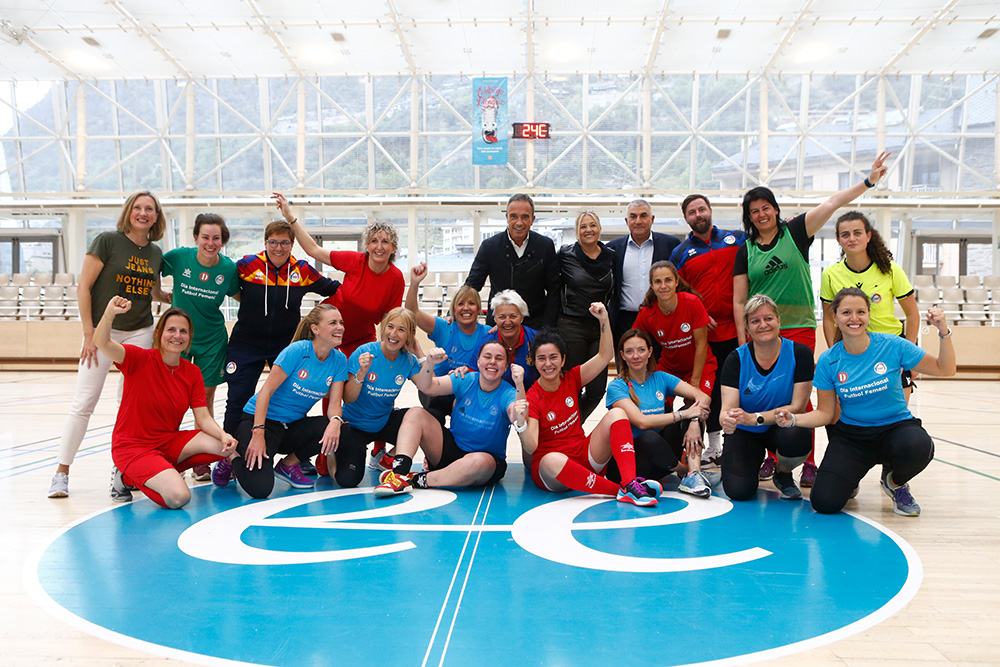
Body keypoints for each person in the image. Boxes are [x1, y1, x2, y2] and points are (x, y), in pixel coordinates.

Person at [733, 151, 890, 485]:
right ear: (749, 217)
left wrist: (869, 182)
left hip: (799, 326)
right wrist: (740, 340)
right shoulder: (745, 249)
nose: (761, 214)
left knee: (801, 398)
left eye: (765, 207)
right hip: (761, 332)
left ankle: (809, 462)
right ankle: (773, 459)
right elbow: (740, 299)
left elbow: (833, 202)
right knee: (768, 397)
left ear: (775, 209)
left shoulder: (796, 232)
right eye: (754, 211)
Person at [775, 288, 956, 516]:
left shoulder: (892, 345)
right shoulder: (829, 361)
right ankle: (850, 478)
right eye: (846, 312)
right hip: (853, 438)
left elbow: (946, 369)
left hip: (895, 429)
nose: (854, 318)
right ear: (835, 318)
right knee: (824, 503)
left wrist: (943, 331)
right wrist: (794, 419)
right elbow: (825, 414)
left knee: (919, 446)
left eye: (861, 311)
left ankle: (896, 483)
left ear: (869, 315)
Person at [49, 190, 169, 499]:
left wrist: (174, 297)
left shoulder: (155, 253)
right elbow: (84, 286)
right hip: (104, 332)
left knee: (129, 405)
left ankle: (123, 468)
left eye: (150, 209)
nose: (144, 213)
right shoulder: (106, 241)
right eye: (138, 207)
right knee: (85, 401)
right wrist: (89, 333)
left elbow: (152, 292)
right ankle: (62, 471)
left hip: (141, 332)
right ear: (129, 211)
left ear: (156, 216)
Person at [218, 216, 340, 483]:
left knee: (294, 398)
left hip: (286, 344)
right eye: (273, 242)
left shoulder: (303, 270)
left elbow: (335, 290)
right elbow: (224, 283)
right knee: (238, 399)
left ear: (292, 244)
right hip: (246, 343)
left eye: (284, 243)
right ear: (265, 243)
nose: (278, 248)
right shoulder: (247, 265)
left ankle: (295, 458)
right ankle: (227, 456)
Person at [95, 297, 237, 509]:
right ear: (159, 334)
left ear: (189, 337)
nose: (177, 336)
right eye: (171, 330)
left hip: (168, 442)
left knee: (226, 448)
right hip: (133, 447)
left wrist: (223, 435)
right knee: (179, 497)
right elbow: (102, 343)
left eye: (183, 331)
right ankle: (126, 477)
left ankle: (162, 469)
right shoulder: (138, 359)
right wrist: (109, 314)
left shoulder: (192, 372)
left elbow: (203, 417)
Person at [517, 303, 662, 507]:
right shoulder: (533, 397)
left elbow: (604, 356)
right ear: (533, 361)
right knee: (551, 460)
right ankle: (618, 491)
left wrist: (603, 320)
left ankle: (629, 482)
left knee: (617, 413)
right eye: (541, 358)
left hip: (582, 456)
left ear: (563, 359)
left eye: (553, 357)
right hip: (553, 473)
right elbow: (531, 446)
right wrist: (521, 423)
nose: (548, 363)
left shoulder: (572, 378)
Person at [215, 305, 350, 498]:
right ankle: (231, 457)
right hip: (260, 421)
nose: (340, 327)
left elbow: (335, 403)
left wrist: (336, 421)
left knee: (340, 429)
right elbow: (266, 392)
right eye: (333, 323)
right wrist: (258, 432)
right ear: (315, 329)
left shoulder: (339, 360)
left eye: (341, 323)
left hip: (290, 427)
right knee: (260, 489)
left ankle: (288, 465)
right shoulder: (297, 351)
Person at [372, 342, 526, 496]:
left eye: (499, 358)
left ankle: (417, 479)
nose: (492, 361)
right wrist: (430, 363)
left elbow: (517, 417)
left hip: (484, 462)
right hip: (450, 449)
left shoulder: (509, 392)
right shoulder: (466, 379)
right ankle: (399, 475)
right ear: (478, 361)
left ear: (506, 366)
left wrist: (519, 383)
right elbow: (427, 387)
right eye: (487, 356)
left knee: (479, 462)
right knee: (415, 413)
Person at [160, 213, 240, 481]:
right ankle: (164, 454)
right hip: (178, 338)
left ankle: (199, 460)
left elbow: (241, 295)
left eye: (216, 238)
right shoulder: (178, 257)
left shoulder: (228, 269)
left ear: (223, 240)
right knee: (169, 399)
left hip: (211, 340)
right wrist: (158, 296)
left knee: (202, 403)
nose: (210, 242)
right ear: (196, 238)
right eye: (205, 237)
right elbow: (149, 269)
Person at [277, 193, 404, 358]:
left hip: (360, 339)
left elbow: (390, 320)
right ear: (367, 246)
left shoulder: (396, 278)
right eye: (374, 241)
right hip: (325, 330)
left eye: (385, 242)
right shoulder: (355, 261)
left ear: (393, 248)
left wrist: (388, 351)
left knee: (359, 377)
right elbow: (314, 250)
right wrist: (290, 217)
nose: (379, 247)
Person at [670, 194, 745, 465]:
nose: (698, 214)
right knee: (708, 390)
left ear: (710, 210)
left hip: (738, 331)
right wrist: (700, 311)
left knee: (737, 388)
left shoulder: (736, 239)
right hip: (705, 335)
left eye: (702, 209)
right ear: (687, 218)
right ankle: (713, 446)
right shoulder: (680, 253)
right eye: (692, 212)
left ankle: (737, 444)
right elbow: (679, 289)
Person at [719, 295, 814, 501]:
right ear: (747, 328)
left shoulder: (800, 354)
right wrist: (727, 420)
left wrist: (756, 418)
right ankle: (751, 462)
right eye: (755, 321)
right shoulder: (736, 359)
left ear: (779, 321)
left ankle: (782, 472)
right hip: (746, 431)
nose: (763, 325)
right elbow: (726, 410)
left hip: (781, 427)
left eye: (768, 318)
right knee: (739, 491)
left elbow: (797, 406)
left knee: (799, 434)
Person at [335, 307, 444, 483]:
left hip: (384, 421)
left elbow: (431, 389)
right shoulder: (364, 353)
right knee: (347, 480)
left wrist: (420, 354)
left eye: (401, 330)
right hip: (354, 426)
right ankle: (336, 452)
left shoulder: (408, 359)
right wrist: (361, 374)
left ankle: (387, 458)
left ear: (410, 334)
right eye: (390, 327)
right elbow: (347, 398)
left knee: (432, 417)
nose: (393, 334)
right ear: (383, 328)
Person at [821, 211, 919, 399]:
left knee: (895, 414)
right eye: (845, 234)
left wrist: (910, 355)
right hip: (851, 349)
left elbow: (913, 315)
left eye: (857, 233)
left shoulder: (891, 270)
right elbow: (827, 318)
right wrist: (834, 352)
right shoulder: (831, 275)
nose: (852, 238)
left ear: (868, 236)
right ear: (838, 240)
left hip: (890, 348)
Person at [606, 329, 712, 497]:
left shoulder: (660, 378)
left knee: (691, 414)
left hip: (659, 462)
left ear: (649, 352)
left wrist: (693, 420)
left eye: (641, 350)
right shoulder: (617, 386)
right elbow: (642, 422)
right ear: (622, 355)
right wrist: (684, 415)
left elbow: (702, 396)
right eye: (629, 351)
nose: (636, 356)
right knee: (649, 436)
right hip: (627, 467)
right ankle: (684, 469)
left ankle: (694, 475)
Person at [632, 260, 717, 421]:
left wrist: (695, 384)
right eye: (658, 281)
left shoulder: (692, 302)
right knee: (656, 405)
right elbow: (631, 342)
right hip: (670, 367)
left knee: (698, 407)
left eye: (668, 280)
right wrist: (626, 376)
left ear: (676, 282)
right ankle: (665, 442)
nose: (663, 286)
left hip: (700, 366)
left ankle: (710, 443)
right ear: (651, 285)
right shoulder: (647, 313)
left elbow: (701, 345)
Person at [405, 261, 491, 418]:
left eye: (471, 303)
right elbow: (412, 312)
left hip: (468, 391)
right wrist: (415, 283)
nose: (466, 308)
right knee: (435, 412)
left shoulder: (488, 334)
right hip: (436, 390)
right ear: (453, 310)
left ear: (479, 309)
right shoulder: (443, 327)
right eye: (460, 304)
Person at [465, 193, 560, 330]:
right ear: (507, 217)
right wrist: (454, 311)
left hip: (534, 324)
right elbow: (472, 284)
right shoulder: (489, 246)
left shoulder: (545, 246)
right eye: (514, 216)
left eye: (525, 217)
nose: (519, 222)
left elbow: (554, 289)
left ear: (532, 219)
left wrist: (547, 328)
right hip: (499, 324)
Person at [556, 210, 615, 421]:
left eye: (592, 225)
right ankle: (565, 433)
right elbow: (553, 289)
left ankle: (573, 426)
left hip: (599, 328)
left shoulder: (611, 255)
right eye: (583, 226)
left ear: (599, 228)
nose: (588, 230)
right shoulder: (565, 254)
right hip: (571, 326)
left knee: (597, 389)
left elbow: (615, 293)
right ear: (577, 231)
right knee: (571, 386)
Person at [607, 199, 681, 364]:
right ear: (627, 221)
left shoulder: (670, 244)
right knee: (628, 369)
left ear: (652, 219)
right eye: (633, 216)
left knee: (661, 368)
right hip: (625, 321)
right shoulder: (612, 249)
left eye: (643, 216)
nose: (638, 221)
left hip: (660, 316)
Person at [487, 290, 540, 391]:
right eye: (502, 317)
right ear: (495, 319)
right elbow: (476, 375)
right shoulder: (487, 342)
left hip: (532, 398)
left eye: (513, 316)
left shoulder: (537, 340)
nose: (507, 322)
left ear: (522, 317)